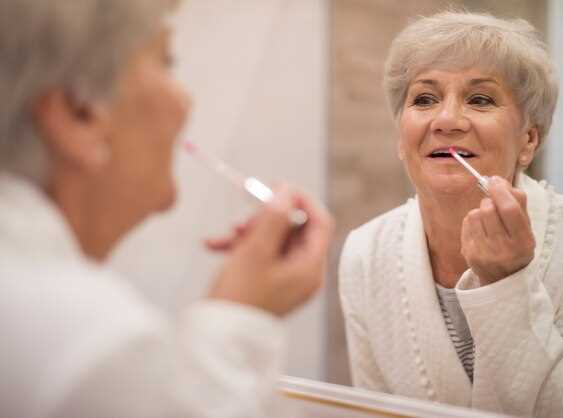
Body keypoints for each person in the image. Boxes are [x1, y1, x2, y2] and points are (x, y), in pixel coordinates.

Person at [0, 1, 333, 417]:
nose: (185, 101)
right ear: (79, 113)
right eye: (166, 61)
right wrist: (240, 318)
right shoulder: (94, 345)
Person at [339, 11, 563, 418]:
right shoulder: (365, 251)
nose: (447, 120)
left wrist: (506, 282)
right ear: (402, 137)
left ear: (528, 141)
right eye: (424, 98)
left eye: (480, 99)